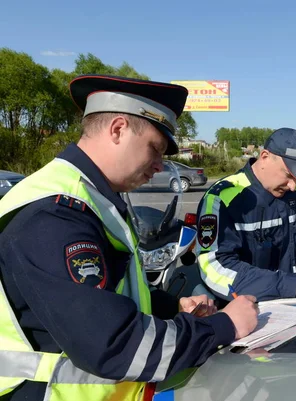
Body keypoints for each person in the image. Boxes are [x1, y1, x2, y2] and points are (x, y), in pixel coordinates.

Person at [0, 75, 258, 401]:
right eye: (155, 148)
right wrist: (224, 326)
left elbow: (105, 292)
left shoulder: (92, 196)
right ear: (118, 129)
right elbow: (115, 344)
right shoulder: (54, 214)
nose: (160, 165)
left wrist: (170, 305)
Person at [195, 128, 296, 302]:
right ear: (264, 157)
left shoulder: (294, 195)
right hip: (245, 313)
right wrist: (293, 285)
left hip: (292, 306)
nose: (293, 186)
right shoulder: (222, 198)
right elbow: (214, 268)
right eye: (288, 175)